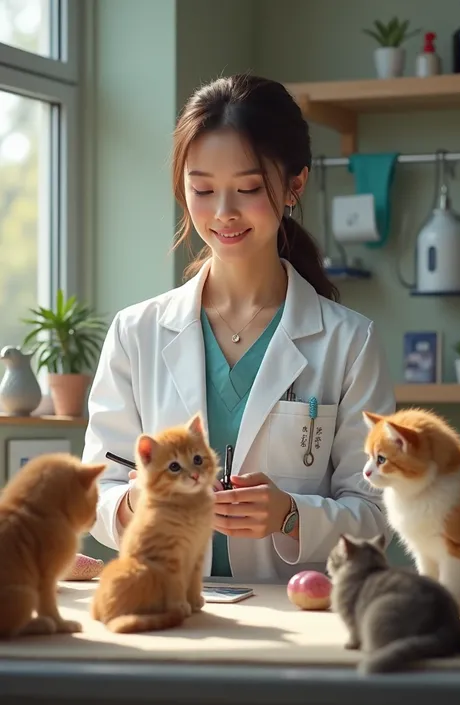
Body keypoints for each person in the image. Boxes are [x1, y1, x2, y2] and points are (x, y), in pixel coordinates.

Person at [82, 73, 396, 582]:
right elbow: (97, 491)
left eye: (248, 188)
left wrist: (290, 515)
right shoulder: (136, 333)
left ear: (295, 185)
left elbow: (376, 514)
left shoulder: (349, 343)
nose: (223, 214)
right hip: (168, 609)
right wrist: (137, 499)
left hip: (298, 619)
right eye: (202, 189)